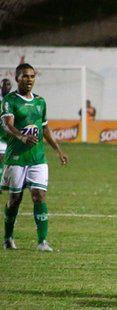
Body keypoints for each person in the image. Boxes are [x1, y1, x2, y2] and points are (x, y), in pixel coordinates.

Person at [0, 63, 68, 251]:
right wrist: (21, 136)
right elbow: (7, 125)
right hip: (16, 157)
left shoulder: (40, 101)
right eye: (25, 76)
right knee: (15, 199)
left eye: (32, 76)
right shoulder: (10, 101)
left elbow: (45, 128)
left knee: (39, 195)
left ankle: (42, 241)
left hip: (37, 158)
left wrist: (58, 150)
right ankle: (8, 237)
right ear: (17, 78)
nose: (29, 80)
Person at [0, 78, 13, 185]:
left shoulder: (13, 101)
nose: (6, 86)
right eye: (4, 84)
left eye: (8, 84)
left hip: (12, 138)